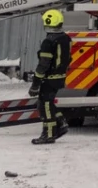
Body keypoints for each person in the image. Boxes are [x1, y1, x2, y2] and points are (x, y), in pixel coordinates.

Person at [30, 9, 72, 145]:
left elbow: (43, 64)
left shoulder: (48, 41)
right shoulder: (66, 38)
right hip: (60, 76)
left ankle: (48, 135)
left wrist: (35, 84)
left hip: (49, 78)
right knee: (49, 103)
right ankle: (61, 123)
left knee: (45, 105)